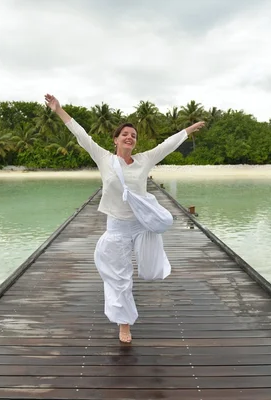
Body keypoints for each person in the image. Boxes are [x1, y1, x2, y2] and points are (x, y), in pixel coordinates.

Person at [44, 94, 205, 343]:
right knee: (120, 277)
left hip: (142, 225)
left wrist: (188, 129)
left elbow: (167, 145)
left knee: (151, 271)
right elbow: (81, 135)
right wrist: (59, 110)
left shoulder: (143, 161)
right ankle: (124, 324)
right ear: (116, 140)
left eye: (133, 135)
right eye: (125, 134)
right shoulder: (105, 160)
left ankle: (142, 284)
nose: (130, 137)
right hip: (117, 226)